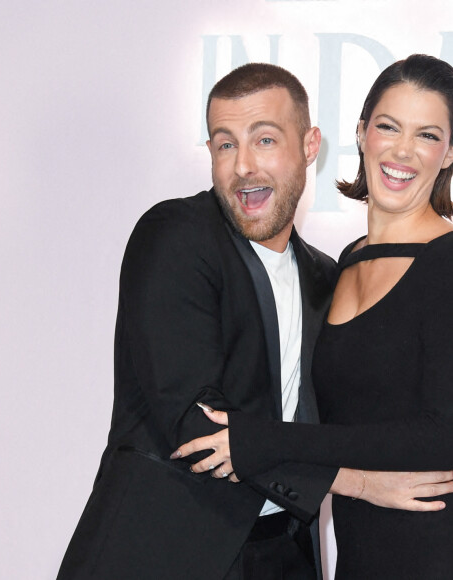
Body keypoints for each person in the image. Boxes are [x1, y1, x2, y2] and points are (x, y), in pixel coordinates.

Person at [57, 62, 452, 580]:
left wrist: (286, 450)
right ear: (361, 134)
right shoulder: (177, 237)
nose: (244, 165)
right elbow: (197, 428)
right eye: (225, 144)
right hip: (162, 553)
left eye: (264, 140)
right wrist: (356, 481)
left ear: (311, 145)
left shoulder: (324, 276)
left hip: (294, 556)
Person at [175, 54, 453, 579]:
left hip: (433, 550)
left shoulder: (448, 261)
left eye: (427, 135)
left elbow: (441, 434)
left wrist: (264, 440)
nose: (401, 150)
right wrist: (354, 482)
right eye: (389, 127)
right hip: (356, 552)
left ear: (449, 153)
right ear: (362, 133)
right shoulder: (343, 263)